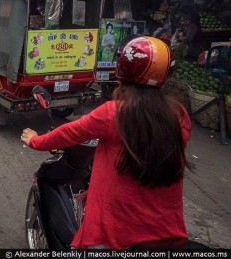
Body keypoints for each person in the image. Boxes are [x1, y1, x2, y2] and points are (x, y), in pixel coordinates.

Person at [21, 36, 191, 249]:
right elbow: (149, 156)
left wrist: (35, 140)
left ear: (122, 70)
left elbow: (68, 133)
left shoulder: (113, 113)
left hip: (115, 236)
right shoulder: (179, 116)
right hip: (169, 233)